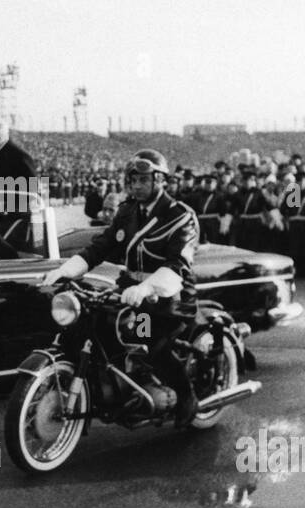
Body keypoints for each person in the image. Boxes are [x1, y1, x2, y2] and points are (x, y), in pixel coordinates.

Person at [42, 149, 202, 426]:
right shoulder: (127, 211)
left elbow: (177, 265)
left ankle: (186, 395)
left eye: (142, 180)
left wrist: (146, 288)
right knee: (93, 326)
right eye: (132, 180)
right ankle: (117, 389)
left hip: (168, 298)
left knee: (148, 340)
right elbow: (100, 247)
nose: (136, 186)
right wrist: (64, 270)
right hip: (129, 291)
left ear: (160, 180)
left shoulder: (180, 216)